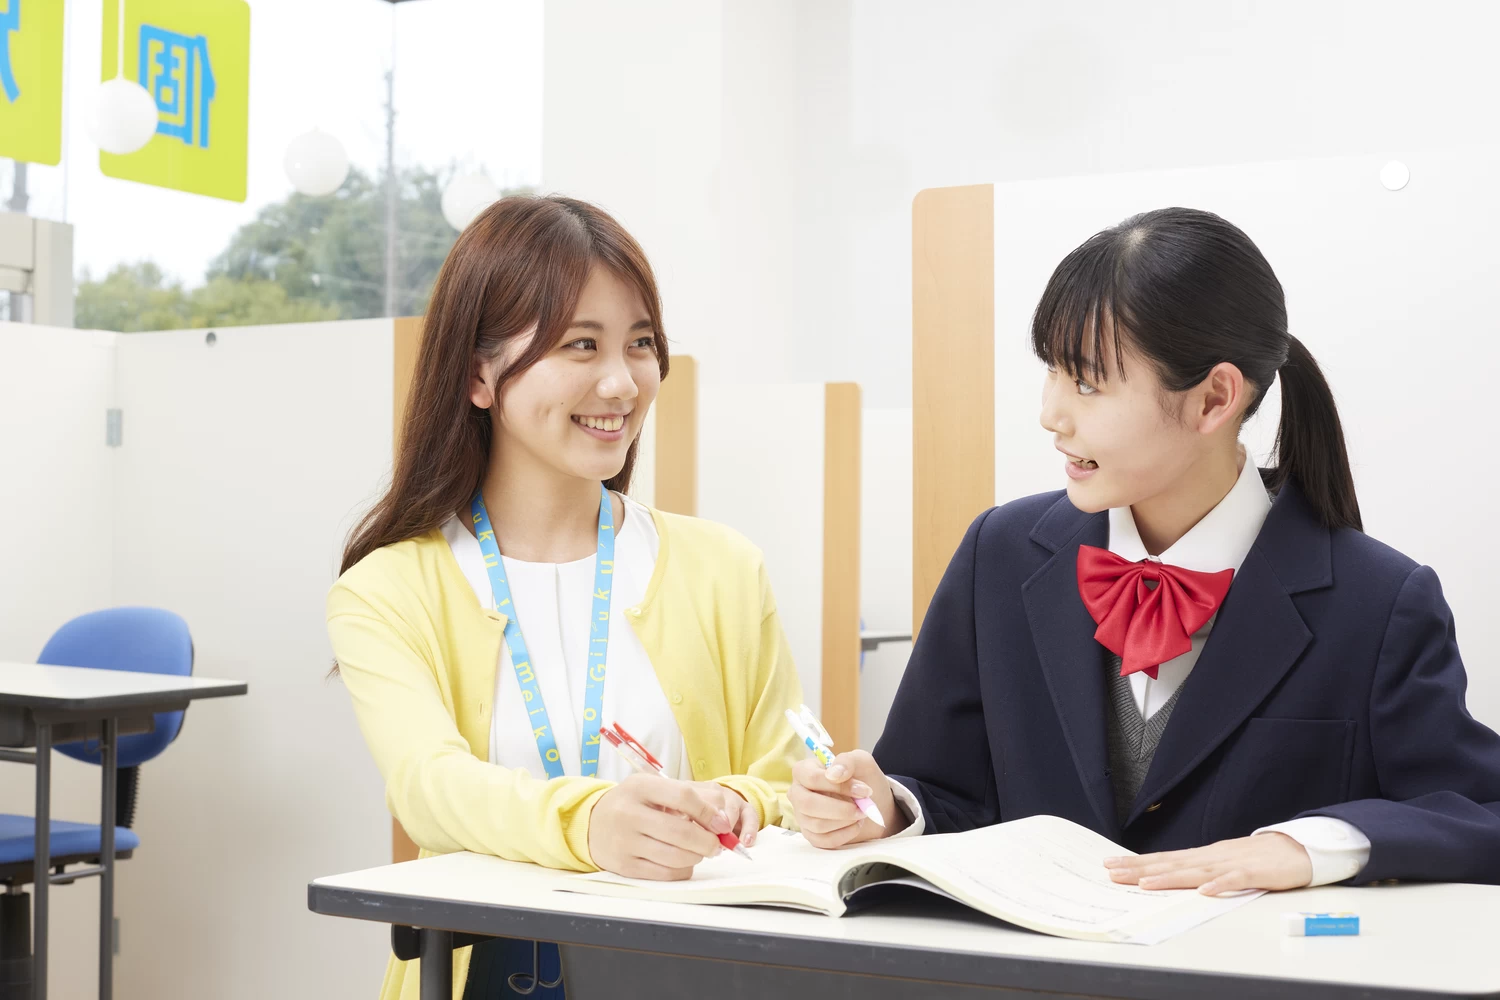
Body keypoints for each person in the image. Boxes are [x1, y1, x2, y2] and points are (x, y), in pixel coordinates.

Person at [791, 207, 1500, 894]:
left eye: (1089, 382)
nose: (1051, 414)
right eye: (1052, 372)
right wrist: (882, 808)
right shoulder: (1000, 555)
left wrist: (1306, 846)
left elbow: (1479, 815)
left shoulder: (1379, 601)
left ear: (1214, 399)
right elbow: (941, 787)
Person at [328, 195, 804, 999]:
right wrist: (593, 824)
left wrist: (736, 802)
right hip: (477, 975)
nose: (621, 382)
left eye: (641, 344)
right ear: (479, 375)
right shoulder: (388, 588)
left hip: (691, 972)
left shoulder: (723, 567)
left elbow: (785, 779)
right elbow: (429, 789)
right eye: (581, 345)